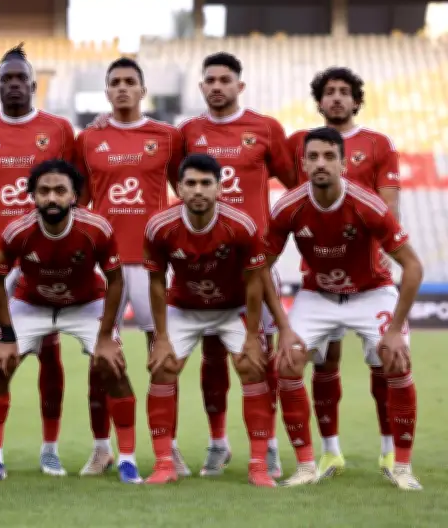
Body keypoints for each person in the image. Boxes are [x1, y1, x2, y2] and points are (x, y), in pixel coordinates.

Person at [266, 127, 422, 490]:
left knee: (396, 360)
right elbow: (260, 268)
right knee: (287, 362)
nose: (321, 164)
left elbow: (413, 266)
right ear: (303, 164)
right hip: (318, 295)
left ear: (343, 164)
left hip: (371, 293)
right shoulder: (288, 206)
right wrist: (284, 327)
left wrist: (395, 331)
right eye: (313, 157)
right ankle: (306, 466)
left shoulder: (368, 204)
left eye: (329, 157)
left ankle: (401, 467)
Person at [0, 159, 141, 484]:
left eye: (60, 191)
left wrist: (105, 337)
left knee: (114, 367)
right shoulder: (17, 231)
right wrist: (6, 336)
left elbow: (115, 280)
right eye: (44, 191)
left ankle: (127, 461)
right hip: (32, 304)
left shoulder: (96, 228)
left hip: (85, 304)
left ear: (74, 196)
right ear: (33, 196)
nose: (52, 197)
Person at [144, 153, 300, 487]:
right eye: (190, 183)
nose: (198, 190)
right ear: (179, 189)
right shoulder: (160, 226)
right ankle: (163, 464)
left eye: (206, 183)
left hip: (233, 308)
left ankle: (259, 466)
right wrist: (161, 337)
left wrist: (253, 336)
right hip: (185, 307)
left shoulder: (241, 225)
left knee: (252, 367)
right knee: (162, 368)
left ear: (220, 188)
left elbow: (256, 282)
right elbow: (156, 282)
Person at [177, 52, 297, 477]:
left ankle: (269, 446)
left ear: (239, 86)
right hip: (202, 262)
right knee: (212, 357)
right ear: (201, 87)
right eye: (209, 80)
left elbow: (296, 186)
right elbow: (171, 179)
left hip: (254, 263)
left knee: (260, 357)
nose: (217, 86)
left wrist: (274, 237)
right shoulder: (188, 132)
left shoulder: (266, 128)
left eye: (225, 80)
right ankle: (217, 443)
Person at [0, 44, 72, 476]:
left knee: (49, 353)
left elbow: (76, 185)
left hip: (44, 256)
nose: (14, 85)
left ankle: (50, 448)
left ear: (33, 84)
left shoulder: (58, 129)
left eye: (21, 78)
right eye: (6, 79)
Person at [74, 56, 188, 477]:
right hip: (104, 264)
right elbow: (78, 202)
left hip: (151, 264)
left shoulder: (168, 137)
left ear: (143, 91)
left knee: (162, 355)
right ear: (106, 91)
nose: (122, 88)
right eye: (115, 82)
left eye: (129, 81)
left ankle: (168, 447)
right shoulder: (87, 139)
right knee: (99, 356)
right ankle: (101, 448)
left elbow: (186, 191)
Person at [285, 67, 401, 478]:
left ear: (356, 100)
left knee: (384, 362)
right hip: (320, 273)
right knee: (324, 362)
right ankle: (330, 451)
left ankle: (389, 451)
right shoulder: (301, 144)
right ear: (319, 101)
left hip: (367, 274)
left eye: (344, 92)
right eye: (329, 92)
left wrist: (387, 249)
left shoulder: (378, 143)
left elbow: (388, 204)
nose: (336, 97)